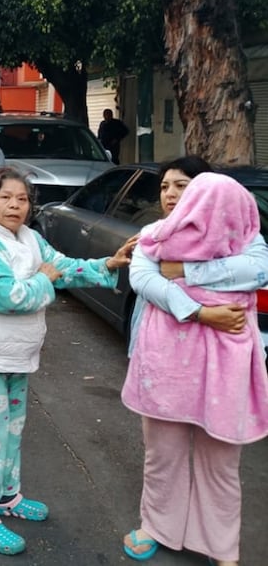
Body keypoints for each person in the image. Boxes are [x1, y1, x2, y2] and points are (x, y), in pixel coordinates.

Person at [0, 167, 134, 556]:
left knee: (12, 429)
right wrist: (43, 280)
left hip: (16, 353)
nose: (15, 205)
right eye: (5, 197)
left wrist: (109, 265)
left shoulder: (30, 238)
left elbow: (61, 267)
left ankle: (7, 497)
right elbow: (7, 296)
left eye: (22, 198)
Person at [121, 160, 268, 566]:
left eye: (182, 185)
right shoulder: (152, 234)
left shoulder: (245, 237)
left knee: (220, 460)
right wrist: (202, 312)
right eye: (165, 186)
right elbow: (145, 281)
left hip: (225, 370)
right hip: (166, 363)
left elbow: (257, 269)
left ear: (207, 193)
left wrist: (184, 270)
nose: (170, 194)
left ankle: (222, 547)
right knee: (162, 453)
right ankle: (156, 525)